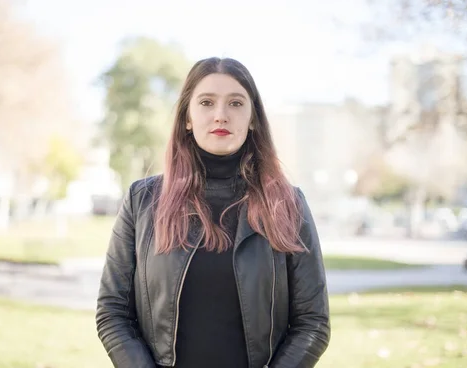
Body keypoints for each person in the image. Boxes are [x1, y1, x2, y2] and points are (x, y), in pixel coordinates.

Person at [96, 57, 330, 368]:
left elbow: (313, 323)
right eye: (206, 102)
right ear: (187, 118)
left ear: (253, 119)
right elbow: (112, 312)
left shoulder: (288, 204)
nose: (221, 115)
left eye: (236, 103)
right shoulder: (142, 201)